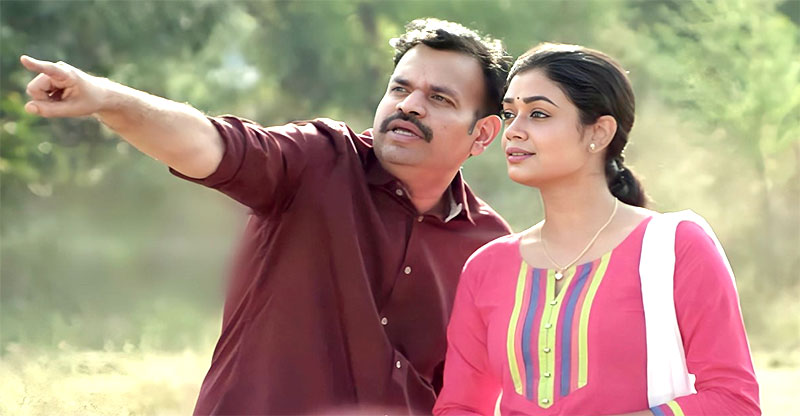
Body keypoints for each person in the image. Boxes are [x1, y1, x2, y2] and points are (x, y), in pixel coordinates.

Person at [20, 19, 514, 415]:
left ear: (483, 134)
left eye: (439, 98)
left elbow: (465, 394)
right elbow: (209, 143)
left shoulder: (489, 247)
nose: (409, 106)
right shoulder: (317, 161)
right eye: (400, 88)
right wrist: (108, 99)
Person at [433, 43, 760, 415]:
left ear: (600, 132)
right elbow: (459, 406)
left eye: (538, 114)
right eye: (510, 114)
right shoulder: (487, 267)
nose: (514, 131)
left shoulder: (676, 247)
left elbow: (733, 401)